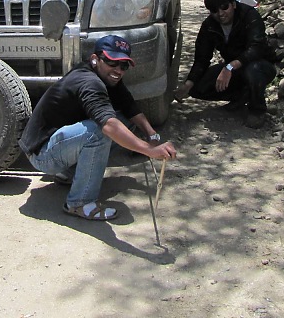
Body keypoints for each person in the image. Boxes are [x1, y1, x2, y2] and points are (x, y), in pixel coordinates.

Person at [19, 35, 178, 221]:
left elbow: (130, 107)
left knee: (123, 121)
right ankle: (80, 203)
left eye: (123, 65)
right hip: (43, 154)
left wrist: (152, 135)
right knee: (99, 132)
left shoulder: (108, 77)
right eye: (112, 62)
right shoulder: (89, 82)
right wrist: (149, 150)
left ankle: (68, 174)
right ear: (95, 59)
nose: (118, 70)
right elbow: (109, 126)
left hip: (58, 144)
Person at [174, 0, 277, 128]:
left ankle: (257, 110)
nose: (220, 13)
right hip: (233, 69)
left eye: (224, 7)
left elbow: (257, 47)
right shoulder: (209, 26)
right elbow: (202, 58)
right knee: (197, 87)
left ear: (233, 4)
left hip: (259, 64)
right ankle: (241, 96)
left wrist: (230, 66)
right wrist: (188, 84)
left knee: (253, 71)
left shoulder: (249, 15)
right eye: (214, 10)